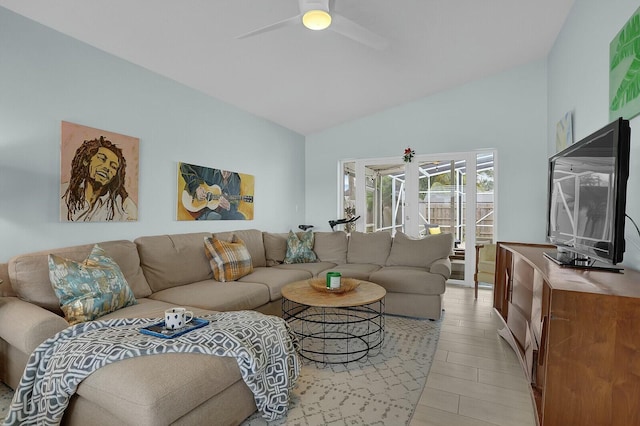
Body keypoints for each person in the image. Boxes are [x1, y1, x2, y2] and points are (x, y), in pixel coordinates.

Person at [61, 136, 138, 221]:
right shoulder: (62, 193)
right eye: (102, 159)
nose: (106, 168)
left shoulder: (122, 206)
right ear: (86, 161)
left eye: (113, 166)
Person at [180, 163, 246, 220]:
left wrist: (229, 206)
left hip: (222, 212)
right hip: (203, 210)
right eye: (224, 171)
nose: (225, 174)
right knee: (214, 216)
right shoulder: (207, 169)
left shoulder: (236, 179)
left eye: (228, 172)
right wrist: (196, 187)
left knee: (241, 218)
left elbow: (235, 205)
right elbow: (184, 166)